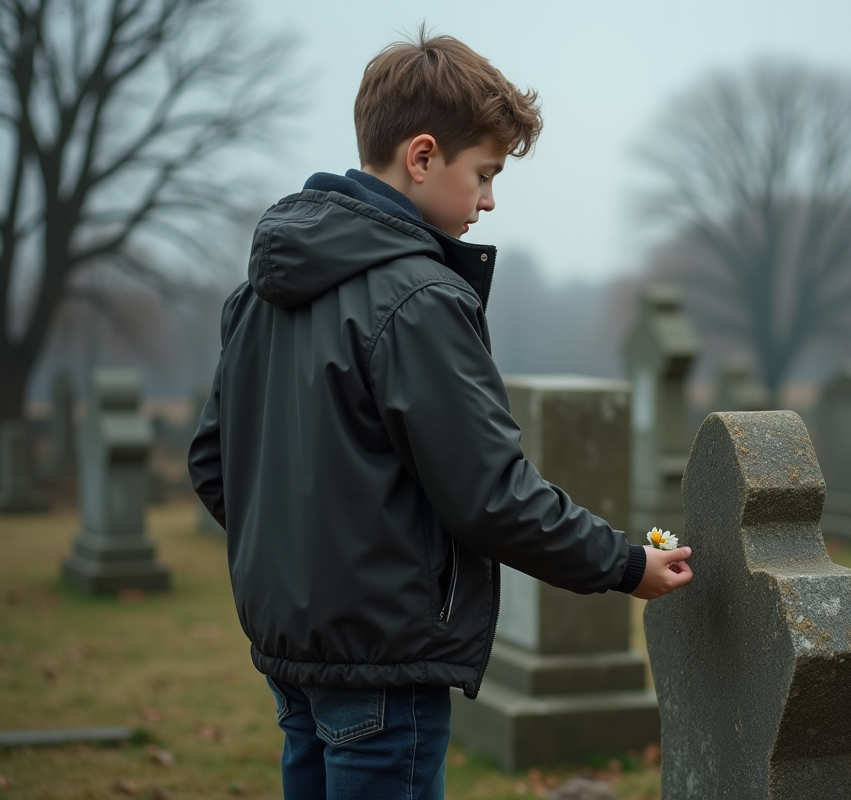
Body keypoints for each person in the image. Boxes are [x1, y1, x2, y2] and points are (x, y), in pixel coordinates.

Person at [187, 29, 693, 800]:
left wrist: (305, 570)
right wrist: (624, 565)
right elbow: (490, 492)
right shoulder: (420, 298)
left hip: (294, 659)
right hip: (388, 664)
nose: (489, 200)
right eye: (484, 174)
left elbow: (213, 466)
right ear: (422, 157)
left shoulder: (258, 291)